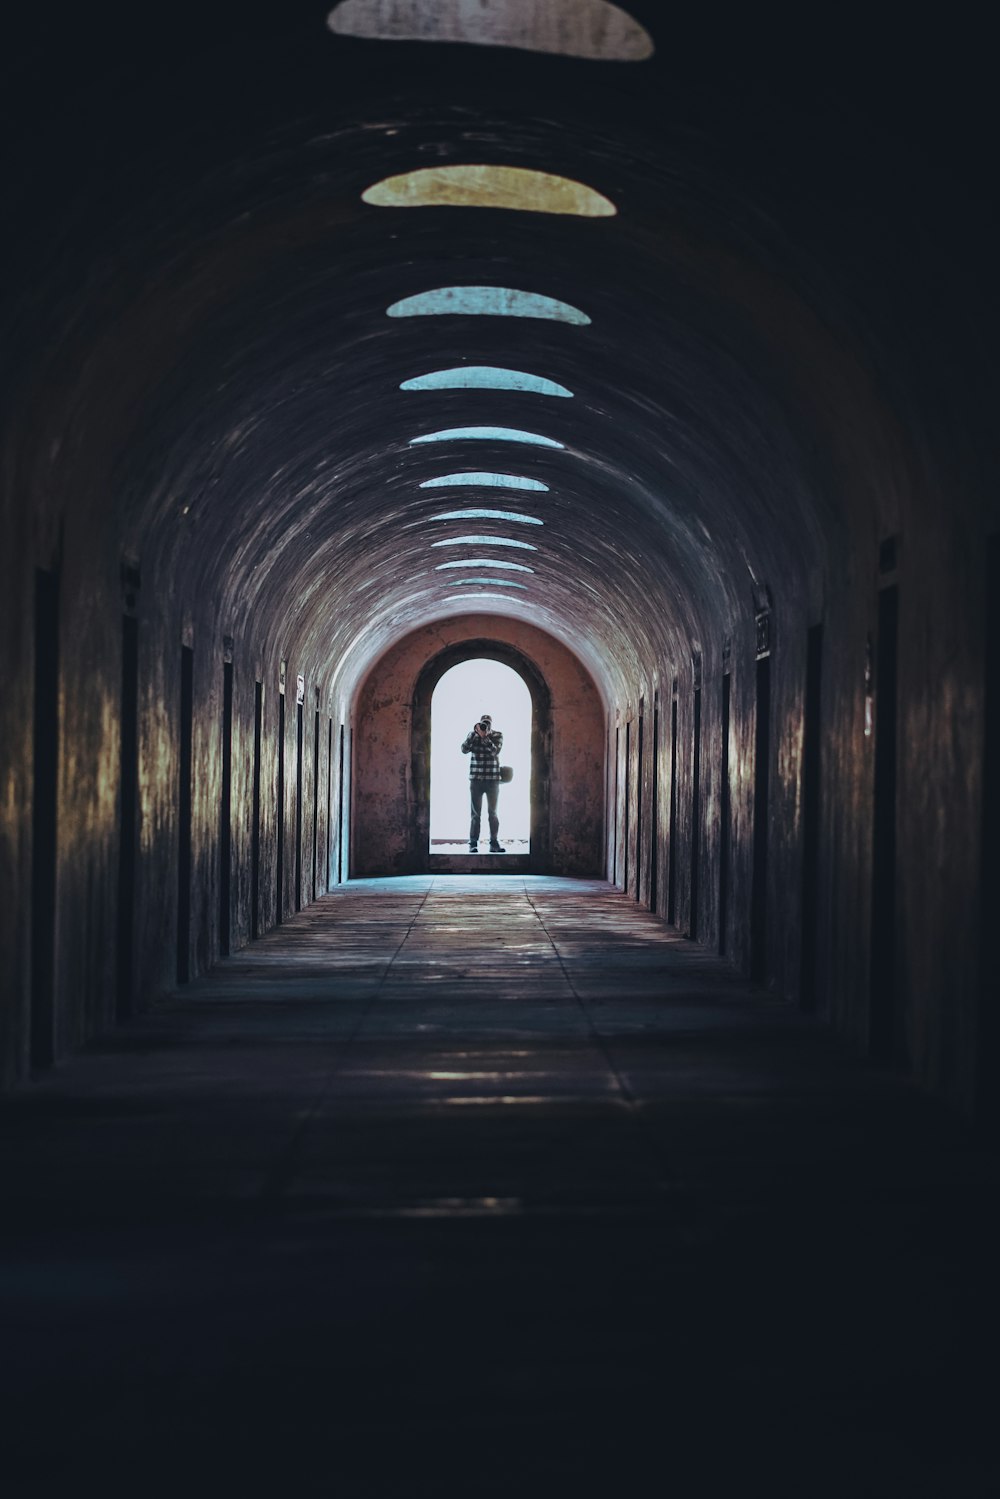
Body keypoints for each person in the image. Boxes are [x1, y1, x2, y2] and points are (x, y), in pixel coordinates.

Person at [461, 713, 505, 852]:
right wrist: (474, 735)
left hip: (492, 781)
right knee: (475, 814)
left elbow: (495, 751)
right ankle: (473, 844)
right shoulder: (472, 736)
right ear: (479, 724)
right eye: (483, 723)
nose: (485, 726)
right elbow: (464, 750)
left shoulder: (497, 735)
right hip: (476, 780)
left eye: (487, 723)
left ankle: (494, 843)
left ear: (491, 724)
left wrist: (485, 737)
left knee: (493, 813)